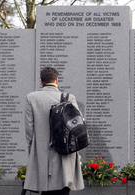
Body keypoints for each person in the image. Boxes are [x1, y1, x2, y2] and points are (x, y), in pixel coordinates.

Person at [23, 67, 84, 195]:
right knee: (63, 187)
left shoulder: (31, 98)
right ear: (57, 80)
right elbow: (79, 123)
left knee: (45, 189)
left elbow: (29, 128)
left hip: (42, 152)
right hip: (65, 151)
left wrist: (32, 147)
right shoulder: (69, 98)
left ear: (41, 82)